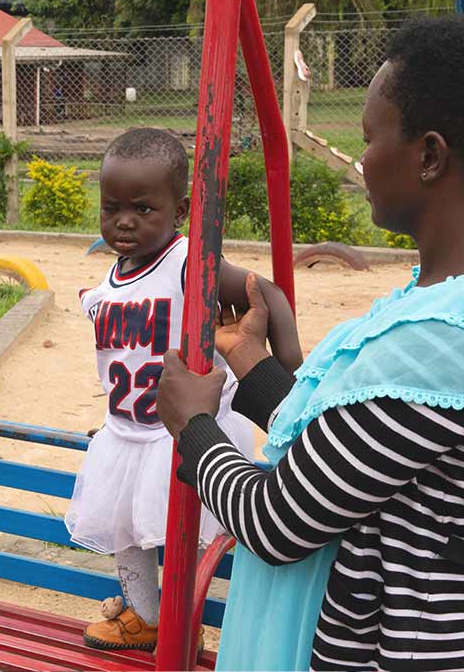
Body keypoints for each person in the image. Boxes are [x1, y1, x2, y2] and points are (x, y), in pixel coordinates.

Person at [156, 15, 464, 671]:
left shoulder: (446, 338)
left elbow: (279, 519)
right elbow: (359, 454)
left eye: (368, 136)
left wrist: (192, 427)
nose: (361, 160)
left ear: (429, 155)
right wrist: (252, 364)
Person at [66, 128, 302, 653]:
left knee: (178, 531)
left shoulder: (189, 262)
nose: (124, 222)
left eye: (144, 208)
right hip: (126, 432)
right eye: (112, 208)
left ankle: (180, 623)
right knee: (123, 529)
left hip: (180, 432)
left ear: (182, 208)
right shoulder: (112, 275)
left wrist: (290, 375)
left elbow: (267, 295)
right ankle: (146, 619)